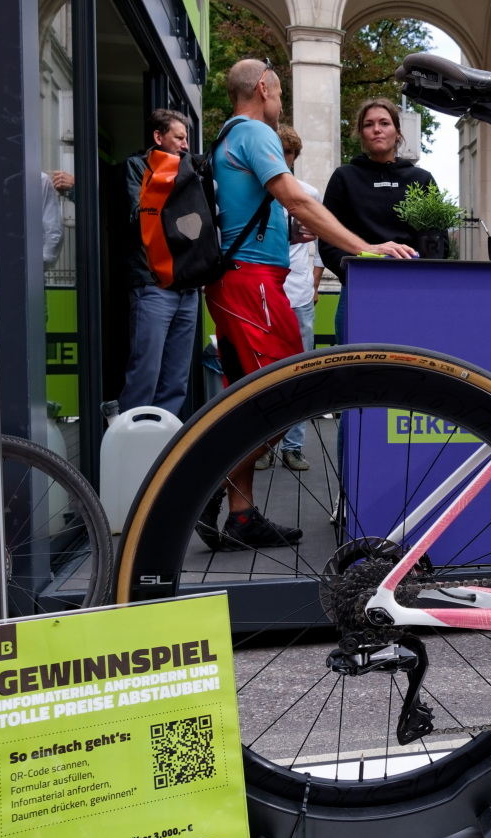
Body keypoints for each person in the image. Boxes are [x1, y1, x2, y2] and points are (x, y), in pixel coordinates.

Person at [196, 58, 416, 551]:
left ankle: (241, 515)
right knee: (287, 395)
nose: (280, 102)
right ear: (262, 87)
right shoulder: (256, 132)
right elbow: (296, 199)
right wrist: (365, 247)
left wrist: (285, 233)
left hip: (243, 282)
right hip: (251, 284)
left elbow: (267, 210)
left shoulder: (229, 136)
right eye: (278, 92)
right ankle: (206, 483)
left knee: (252, 399)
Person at [319, 97, 436, 342]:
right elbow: (328, 242)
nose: (376, 129)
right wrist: (354, 270)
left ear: (397, 132)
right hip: (358, 288)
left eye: (384, 123)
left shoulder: (421, 179)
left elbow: (437, 241)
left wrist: (418, 270)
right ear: (361, 133)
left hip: (411, 291)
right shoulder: (344, 177)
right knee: (355, 362)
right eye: (368, 124)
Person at [116, 109, 197, 419]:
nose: (185, 145)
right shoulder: (137, 167)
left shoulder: (190, 170)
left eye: (186, 138)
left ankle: (163, 443)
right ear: (158, 137)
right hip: (153, 285)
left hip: (187, 287)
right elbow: (138, 220)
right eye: (179, 137)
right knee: (144, 375)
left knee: (176, 381)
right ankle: (131, 440)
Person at [253, 124, 323, 473]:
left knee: (300, 373)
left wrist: (315, 284)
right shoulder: (256, 194)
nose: (281, 162)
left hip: (297, 293)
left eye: (287, 156)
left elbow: (319, 243)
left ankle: (292, 446)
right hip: (264, 294)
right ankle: (264, 444)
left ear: (294, 159)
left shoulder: (307, 193)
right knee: (263, 374)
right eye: (277, 155)